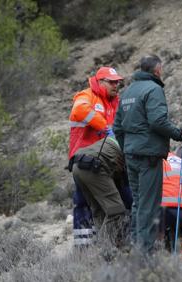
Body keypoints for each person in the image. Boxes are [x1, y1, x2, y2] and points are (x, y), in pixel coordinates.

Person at [113, 55, 182, 253]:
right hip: (148, 155)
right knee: (149, 205)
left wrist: (127, 148)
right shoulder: (154, 89)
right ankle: (145, 255)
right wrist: (179, 134)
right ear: (157, 70)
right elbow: (158, 121)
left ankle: (137, 247)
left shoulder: (128, 92)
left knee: (139, 203)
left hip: (131, 154)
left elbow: (117, 127)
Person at [68, 66, 123, 247]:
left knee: (102, 207)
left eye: (117, 82)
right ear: (100, 82)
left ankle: (103, 246)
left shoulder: (115, 101)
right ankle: (84, 249)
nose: (116, 85)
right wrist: (104, 127)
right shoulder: (87, 95)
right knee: (83, 203)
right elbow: (79, 110)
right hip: (85, 160)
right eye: (111, 82)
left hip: (105, 161)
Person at [72, 135, 128, 247]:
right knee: (116, 210)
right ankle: (103, 247)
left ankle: (105, 249)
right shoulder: (130, 147)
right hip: (94, 166)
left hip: (77, 165)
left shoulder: (113, 139)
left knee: (99, 211)